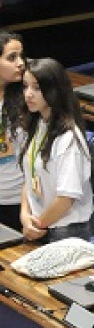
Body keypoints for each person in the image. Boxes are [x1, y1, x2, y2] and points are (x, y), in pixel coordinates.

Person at [18, 58, 93, 243]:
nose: (28, 94)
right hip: (40, 225)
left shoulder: (68, 138)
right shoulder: (37, 126)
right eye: (25, 86)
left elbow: (66, 199)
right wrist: (24, 215)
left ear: (54, 90)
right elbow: (29, 178)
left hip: (65, 232)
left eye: (36, 88)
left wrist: (37, 225)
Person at [0, 31, 26, 231]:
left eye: (21, 56)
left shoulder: (29, 98)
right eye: (11, 58)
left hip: (22, 200)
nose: (20, 63)